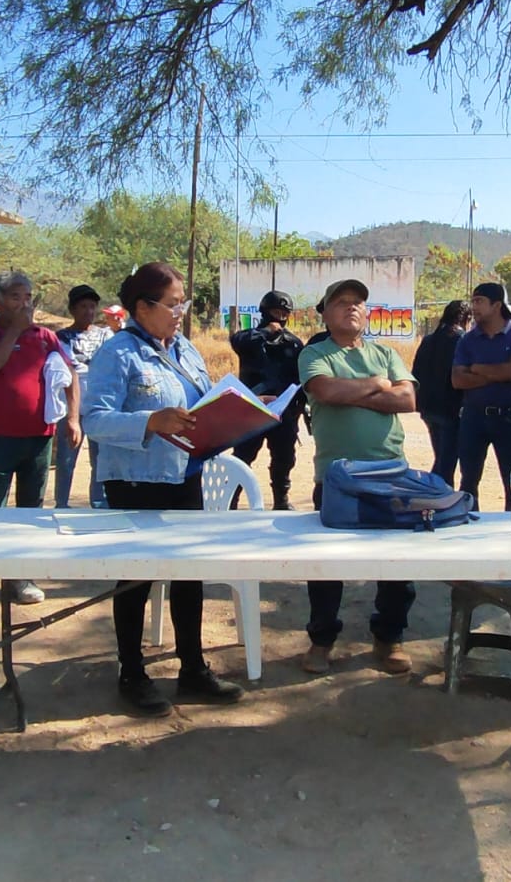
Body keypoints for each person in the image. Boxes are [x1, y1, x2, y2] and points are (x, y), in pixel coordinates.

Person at [82, 262, 244, 716]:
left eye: (182, 304)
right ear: (142, 308)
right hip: (136, 481)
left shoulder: (185, 348)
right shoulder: (118, 353)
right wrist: (150, 421)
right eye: (173, 305)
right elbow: (94, 419)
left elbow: (205, 401)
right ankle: (132, 674)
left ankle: (193, 669)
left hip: (185, 475)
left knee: (188, 575)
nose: (180, 313)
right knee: (137, 577)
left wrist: (242, 408)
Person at [297, 278, 420, 675]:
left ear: (367, 313)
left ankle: (389, 637)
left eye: (358, 302)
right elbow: (326, 391)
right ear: (325, 314)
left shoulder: (385, 353)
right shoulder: (315, 353)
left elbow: (408, 399)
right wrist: (377, 386)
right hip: (337, 477)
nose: (351, 307)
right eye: (341, 302)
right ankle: (321, 641)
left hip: (391, 472)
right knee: (327, 566)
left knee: (396, 567)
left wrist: (358, 393)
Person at [0, 271, 80, 610]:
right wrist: (14, 330)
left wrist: (73, 418)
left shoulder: (45, 336)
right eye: (16, 296)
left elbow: (71, 375)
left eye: (27, 297)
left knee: (31, 511)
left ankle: (22, 577)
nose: (23, 303)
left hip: (39, 438)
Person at [452, 282, 511, 510]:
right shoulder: (467, 339)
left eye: (479, 302)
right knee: (469, 479)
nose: (473, 307)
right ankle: (469, 520)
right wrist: (498, 374)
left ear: (496, 305)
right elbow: (457, 380)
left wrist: (476, 368)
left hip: (508, 416)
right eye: (473, 301)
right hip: (473, 416)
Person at [230, 289, 307, 509]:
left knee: (284, 459)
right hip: (252, 410)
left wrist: (300, 407)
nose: (280, 317)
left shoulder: (293, 343)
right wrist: (265, 333)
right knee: (242, 458)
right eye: (275, 312)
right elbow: (237, 341)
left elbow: (300, 377)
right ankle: (230, 501)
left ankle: (281, 501)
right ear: (265, 311)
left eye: (284, 313)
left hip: (283, 412)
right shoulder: (249, 339)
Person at [54, 284, 113, 509]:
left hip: (99, 408)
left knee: (100, 461)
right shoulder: (62, 337)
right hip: (72, 409)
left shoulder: (105, 335)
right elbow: (69, 369)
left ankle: (99, 503)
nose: (88, 311)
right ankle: (61, 504)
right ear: (72, 309)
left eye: (92, 306)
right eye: (83, 306)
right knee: (66, 460)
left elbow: (109, 364)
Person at [410, 299, 470, 485]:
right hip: (451, 408)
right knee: (447, 461)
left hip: (428, 407)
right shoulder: (462, 340)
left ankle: (436, 489)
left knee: (442, 456)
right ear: (467, 319)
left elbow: (416, 373)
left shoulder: (429, 340)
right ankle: (436, 492)